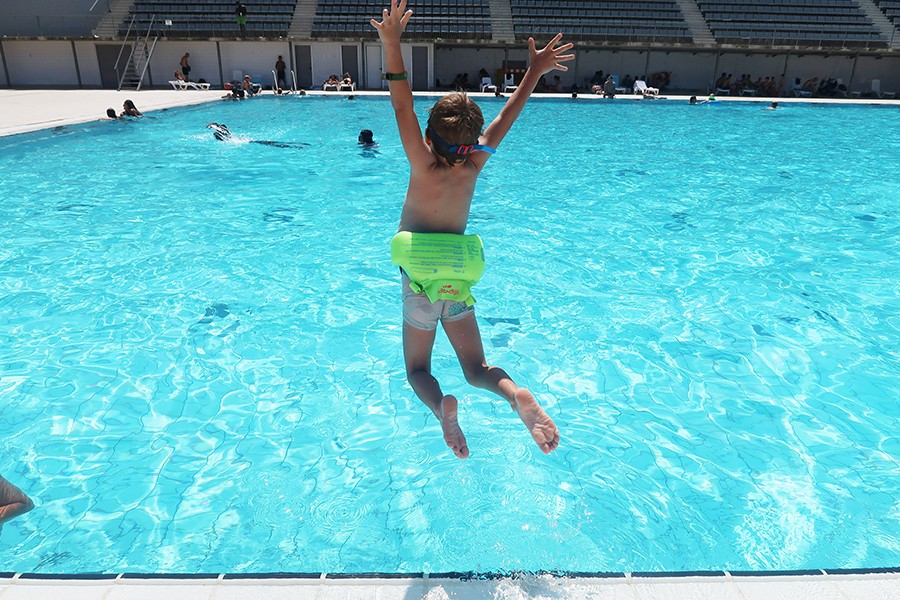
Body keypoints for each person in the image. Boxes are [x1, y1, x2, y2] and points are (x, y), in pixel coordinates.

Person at [371, 0, 566, 458]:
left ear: (430, 138)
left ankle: (442, 410)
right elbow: (505, 117)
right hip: (458, 276)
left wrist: (392, 43)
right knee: (476, 367)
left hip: (420, 279)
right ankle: (516, 395)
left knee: (418, 369)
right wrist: (534, 71)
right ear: (470, 143)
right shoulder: (474, 164)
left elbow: (401, 103)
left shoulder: (422, 162)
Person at [207, 122, 308, 148]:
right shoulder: (229, 135)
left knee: (275, 145)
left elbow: (216, 126)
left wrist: (211, 126)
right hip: (249, 141)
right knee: (275, 144)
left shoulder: (226, 138)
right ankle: (298, 145)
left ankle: (297, 146)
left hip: (246, 142)